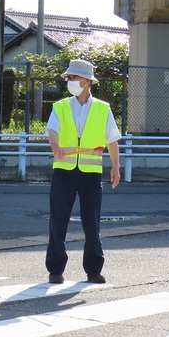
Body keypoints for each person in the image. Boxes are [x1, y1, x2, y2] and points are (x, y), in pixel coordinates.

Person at [44, 59, 121, 285]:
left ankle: (94, 270)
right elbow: (52, 130)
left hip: (90, 172)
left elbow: (112, 139)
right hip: (64, 170)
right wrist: (55, 147)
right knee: (58, 221)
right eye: (69, 78)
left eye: (74, 78)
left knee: (92, 222)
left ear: (87, 81)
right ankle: (55, 270)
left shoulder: (102, 109)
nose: (70, 81)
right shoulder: (60, 106)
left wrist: (116, 166)